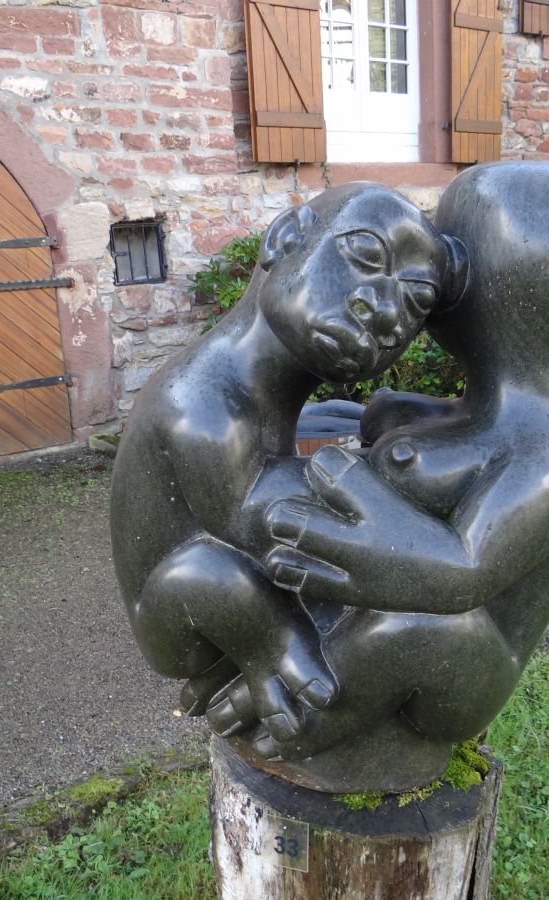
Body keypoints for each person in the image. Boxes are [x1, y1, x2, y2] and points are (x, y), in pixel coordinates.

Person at [207, 162, 549, 792]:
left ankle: (305, 724)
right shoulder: (486, 415)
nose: (431, 290)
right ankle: (302, 675)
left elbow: (463, 570)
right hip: (389, 625)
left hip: (466, 669)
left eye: (452, 266)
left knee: (415, 625)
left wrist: (375, 518)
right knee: (384, 611)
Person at [110, 183, 465, 745]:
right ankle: (279, 652)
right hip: (182, 612)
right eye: (365, 255)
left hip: (246, 571)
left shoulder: (261, 384)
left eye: (416, 301)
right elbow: (260, 512)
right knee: (214, 576)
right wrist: (422, 468)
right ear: (285, 239)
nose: (387, 312)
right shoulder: (202, 405)